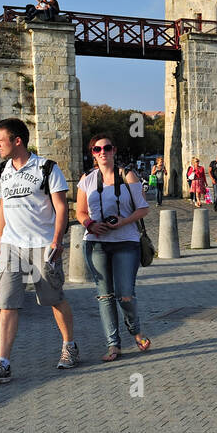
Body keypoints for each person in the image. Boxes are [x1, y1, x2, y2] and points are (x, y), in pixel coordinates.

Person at [0, 117, 79, 384]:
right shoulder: (0, 172)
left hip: (42, 244)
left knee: (53, 299)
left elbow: (61, 207)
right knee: (6, 304)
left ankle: (69, 345)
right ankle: (2, 363)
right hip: (11, 245)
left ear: (17, 140)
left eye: (0, 140)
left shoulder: (47, 168)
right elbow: (2, 211)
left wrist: (57, 240)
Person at [77, 133, 153, 361]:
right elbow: (79, 211)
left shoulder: (128, 176)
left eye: (107, 148)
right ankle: (113, 345)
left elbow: (143, 208)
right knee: (105, 296)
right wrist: (90, 224)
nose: (102, 153)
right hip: (96, 243)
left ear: (114, 151)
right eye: (97, 150)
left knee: (125, 295)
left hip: (126, 242)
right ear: (92, 154)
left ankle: (135, 330)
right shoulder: (87, 179)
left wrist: (123, 221)